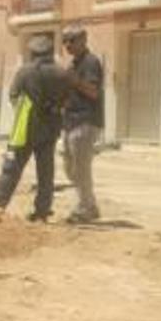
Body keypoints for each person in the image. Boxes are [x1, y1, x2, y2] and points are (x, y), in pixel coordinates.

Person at [0, 35, 70, 221]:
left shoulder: (25, 72)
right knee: (46, 172)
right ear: (50, 53)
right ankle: (42, 212)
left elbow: (13, 96)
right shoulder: (62, 73)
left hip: (25, 128)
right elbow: (67, 99)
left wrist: (26, 109)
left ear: (33, 53)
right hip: (50, 129)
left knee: (12, 167)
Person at [61, 24, 104, 224]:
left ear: (83, 40)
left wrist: (75, 81)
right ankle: (90, 205)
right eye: (65, 41)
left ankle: (85, 207)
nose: (67, 44)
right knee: (70, 169)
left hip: (86, 122)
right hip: (70, 123)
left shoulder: (91, 62)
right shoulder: (73, 65)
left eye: (72, 40)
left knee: (81, 169)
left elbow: (93, 92)